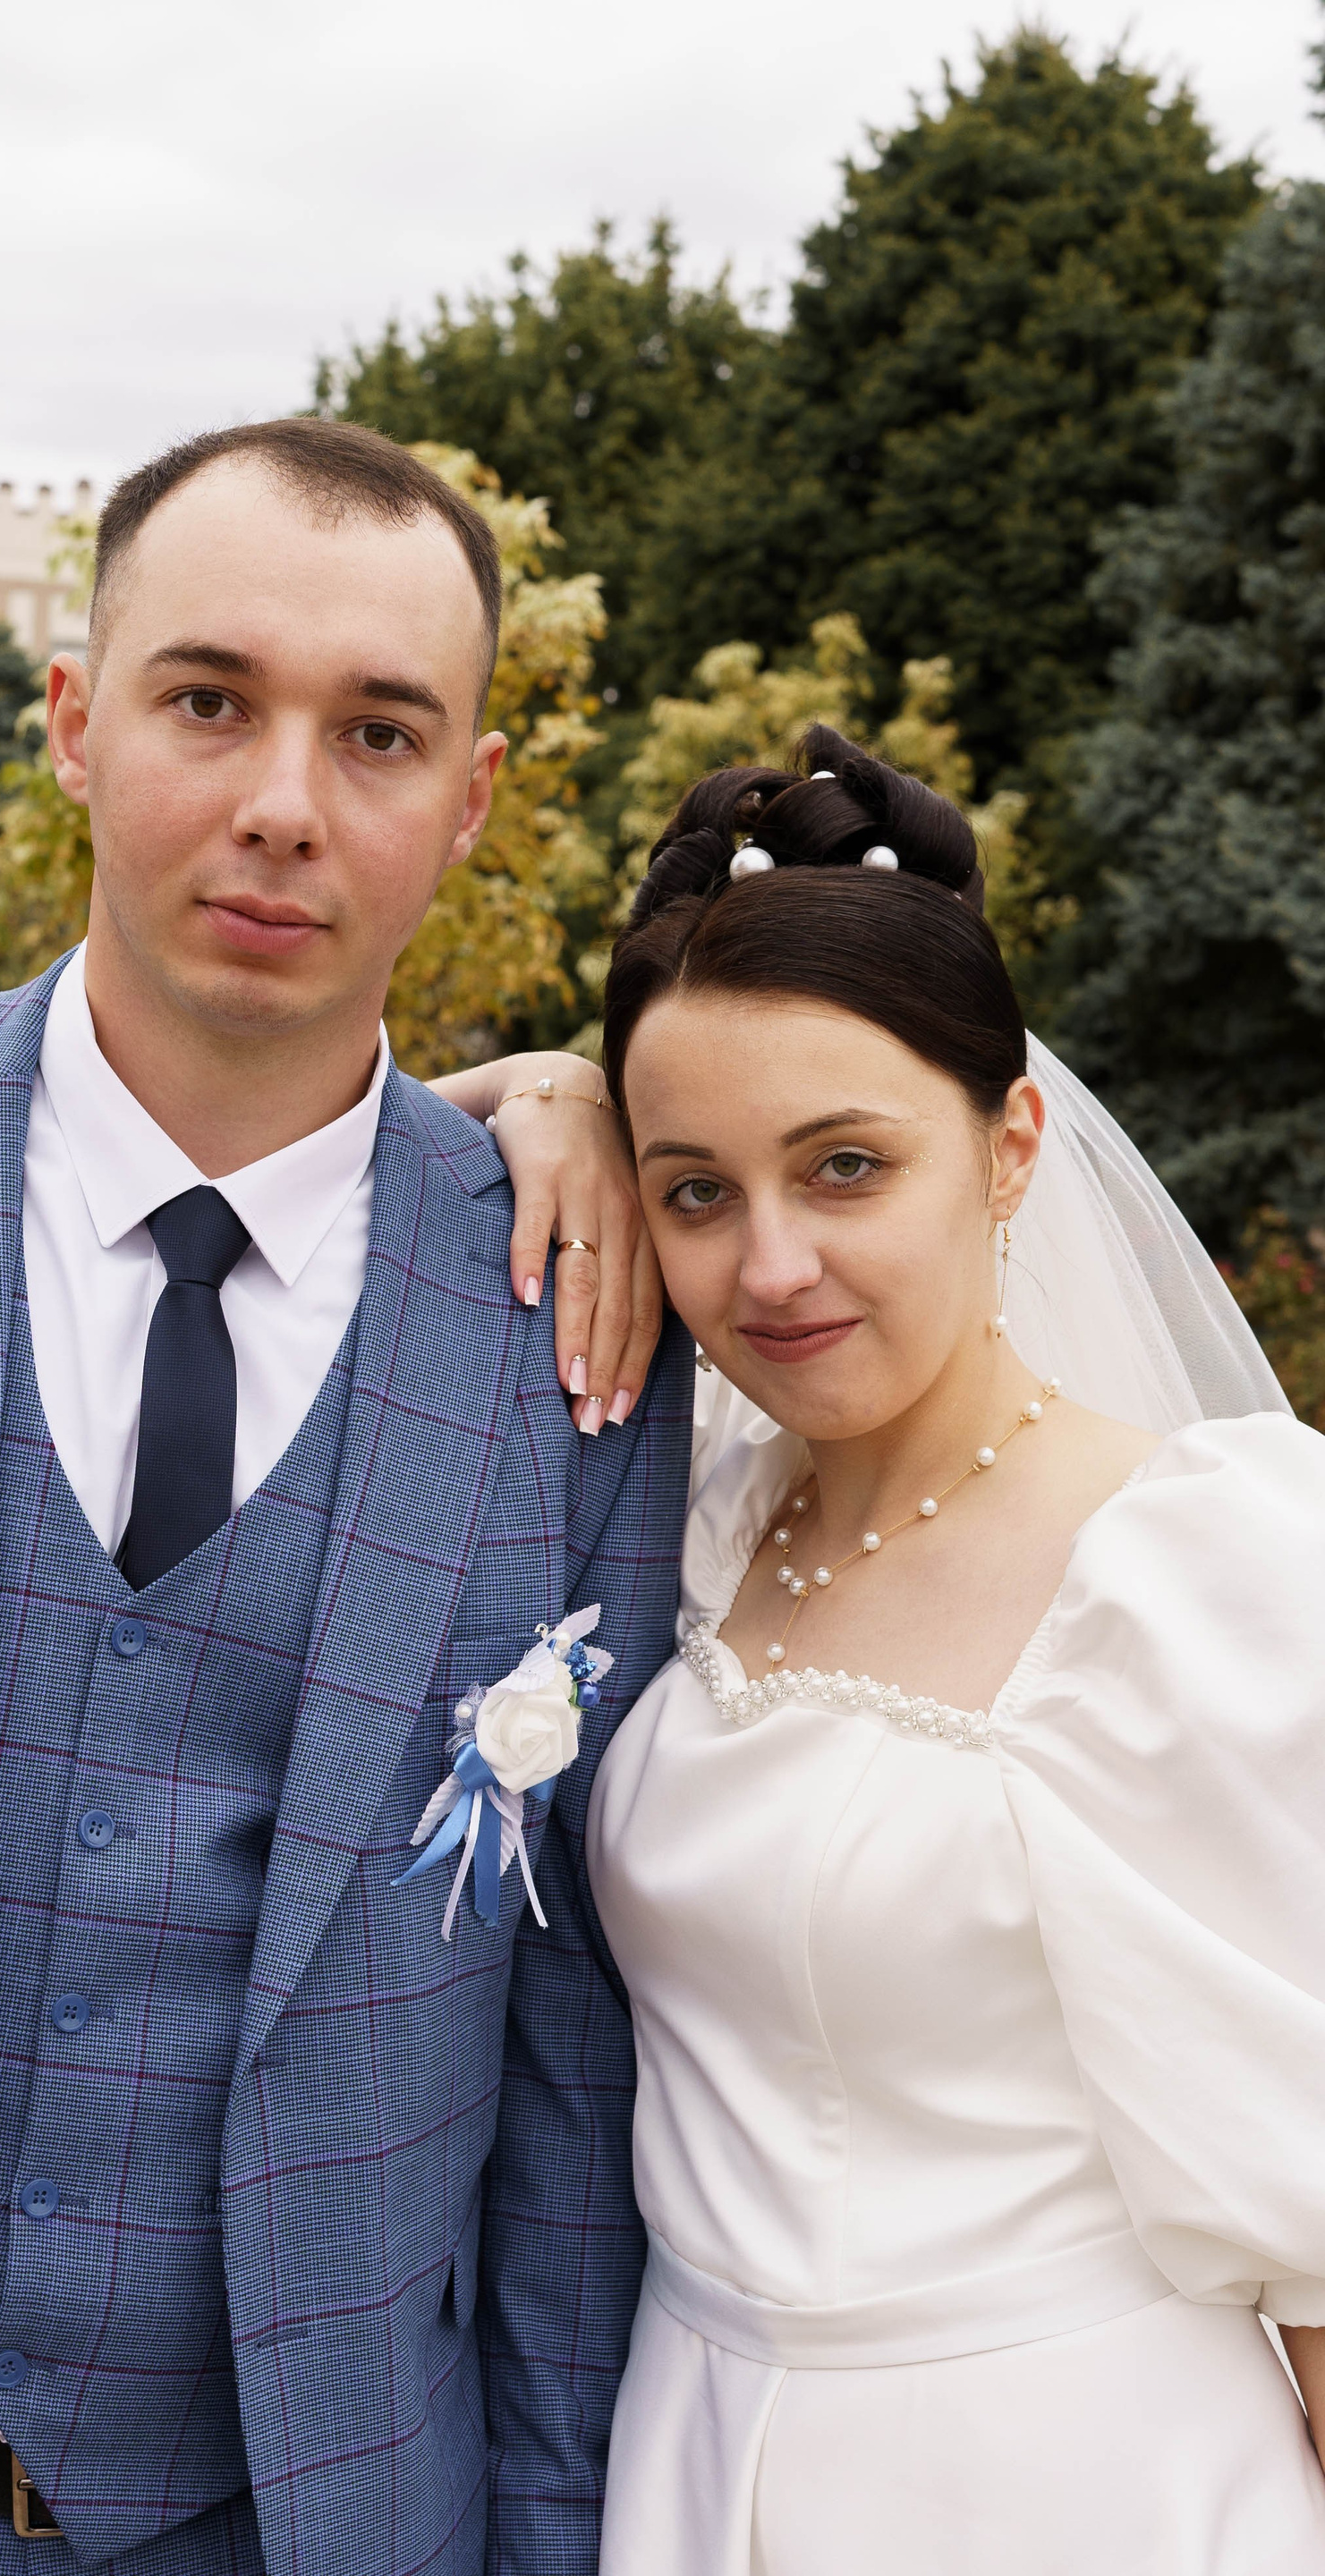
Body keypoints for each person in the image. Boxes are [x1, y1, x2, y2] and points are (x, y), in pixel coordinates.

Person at [0, 419, 688, 2576]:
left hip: (307, 2519)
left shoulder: (578, 1333)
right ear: (76, 724)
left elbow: (576, 2098)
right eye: (209, 700)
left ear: (471, 797)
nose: (285, 801)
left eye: (378, 732)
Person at [579, 727, 1325, 2572]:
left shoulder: (1200, 1568)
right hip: (688, 2456)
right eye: (695, 1191)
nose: (770, 1267)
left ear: (1009, 1150)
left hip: (1065, 2486)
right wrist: (530, 1102)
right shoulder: (694, 1522)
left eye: (845, 1168)